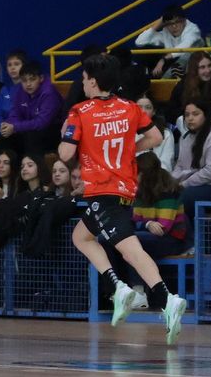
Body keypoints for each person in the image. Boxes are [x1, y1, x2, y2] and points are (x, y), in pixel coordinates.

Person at [58, 54, 187, 342]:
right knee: (81, 237)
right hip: (124, 189)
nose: (82, 83)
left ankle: (165, 300)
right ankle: (120, 287)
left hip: (102, 190)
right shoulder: (129, 108)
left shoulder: (80, 111)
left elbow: (65, 154)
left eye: (83, 79)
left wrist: (65, 135)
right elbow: (156, 138)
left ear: (93, 81)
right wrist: (130, 150)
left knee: (130, 251)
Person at [171, 100, 211, 212]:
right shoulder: (185, 138)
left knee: (186, 197)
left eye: (195, 114)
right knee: (162, 194)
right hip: (189, 184)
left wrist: (184, 184)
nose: (190, 118)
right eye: (187, 115)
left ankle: (187, 224)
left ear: (206, 116)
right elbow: (179, 166)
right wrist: (170, 183)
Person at [0, 60, 62, 159]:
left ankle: (33, 167)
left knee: (33, 135)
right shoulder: (21, 90)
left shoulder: (49, 93)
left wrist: (15, 127)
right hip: (30, 129)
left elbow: (42, 122)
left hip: (53, 131)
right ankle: (9, 167)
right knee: (5, 136)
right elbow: (15, 114)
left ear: (41, 78)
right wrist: (8, 124)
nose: (28, 84)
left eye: (32, 79)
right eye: (24, 80)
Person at [131, 153, 189, 258]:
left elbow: (162, 229)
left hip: (171, 241)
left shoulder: (168, 192)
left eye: (135, 173)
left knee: (131, 240)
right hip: (148, 235)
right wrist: (148, 224)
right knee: (118, 240)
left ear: (143, 175)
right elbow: (135, 222)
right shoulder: (140, 193)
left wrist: (144, 225)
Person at [135, 5, 202, 78]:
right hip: (172, 62)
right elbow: (139, 42)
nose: (174, 26)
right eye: (170, 23)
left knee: (189, 51)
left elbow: (185, 46)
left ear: (184, 21)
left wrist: (163, 59)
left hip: (191, 64)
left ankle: (164, 80)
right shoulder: (166, 32)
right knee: (143, 52)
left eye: (177, 22)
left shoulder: (192, 29)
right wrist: (157, 24)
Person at [136, 95, 176, 172]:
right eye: (139, 107)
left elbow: (166, 164)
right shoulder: (126, 132)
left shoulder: (166, 133)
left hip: (157, 176)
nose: (143, 111)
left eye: (148, 107)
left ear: (154, 112)